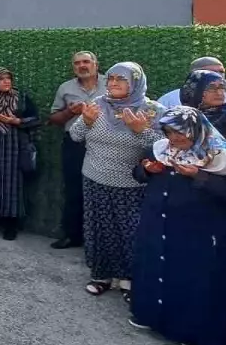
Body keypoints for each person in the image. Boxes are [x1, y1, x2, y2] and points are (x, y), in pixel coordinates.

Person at [130, 106, 226, 345]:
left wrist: (200, 176)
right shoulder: (161, 150)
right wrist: (147, 169)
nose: (174, 138)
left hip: (200, 233)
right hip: (160, 224)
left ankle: (192, 333)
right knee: (157, 269)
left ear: (197, 130)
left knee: (194, 280)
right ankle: (152, 318)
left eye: (180, 132)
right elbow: (138, 173)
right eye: (169, 132)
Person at [69, 62, 162, 298]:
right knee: (98, 229)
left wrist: (140, 130)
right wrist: (87, 122)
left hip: (131, 184)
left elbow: (162, 148)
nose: (113, 84)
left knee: (130, 232)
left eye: (120, 79)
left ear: (135, 82)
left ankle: (129, 279)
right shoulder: (98, 104)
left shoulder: (151, 110)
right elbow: (75, 135)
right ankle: (101, 276)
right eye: (110, 79)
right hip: (94, 177)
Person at [48, 52, 106, 249]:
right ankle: (72, 235)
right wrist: (70, 112)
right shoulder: (66, 88)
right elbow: (53, 119)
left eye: (86, 62)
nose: (82, 66)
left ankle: (100, 240)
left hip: (105, 145)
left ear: (96, 65)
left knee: (103, 190)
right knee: (73, 188)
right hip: (75, 144)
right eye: (77, 63)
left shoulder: (111, 84)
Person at [0, 67, 40, 240]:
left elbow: (35, 119)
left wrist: (16, 120)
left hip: (13, 146)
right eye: (2, 79)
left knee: (12, 183)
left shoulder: (20, 97)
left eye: (9, 78)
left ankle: (11, 224)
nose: (6, 82)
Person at [157, 56, 226, 139]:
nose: (217, 75)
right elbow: (159, 133)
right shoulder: (169, 100)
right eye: (210, 71)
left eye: (221, 72)